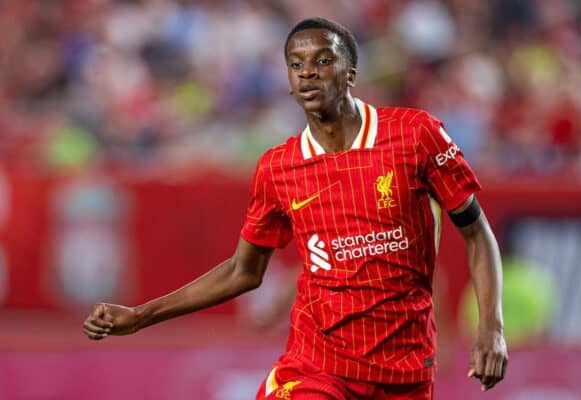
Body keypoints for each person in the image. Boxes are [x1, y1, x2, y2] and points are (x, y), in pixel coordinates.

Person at [83, 17, 508, 399]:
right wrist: (140, 316)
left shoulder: (416, 136)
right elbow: (243, 271)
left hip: (407, 370)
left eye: (323, 60)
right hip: (317, 368)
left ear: (351, 73)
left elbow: (476, 232)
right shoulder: (278, 168)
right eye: (297, 63)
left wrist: (491, 326)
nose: (308, 72)